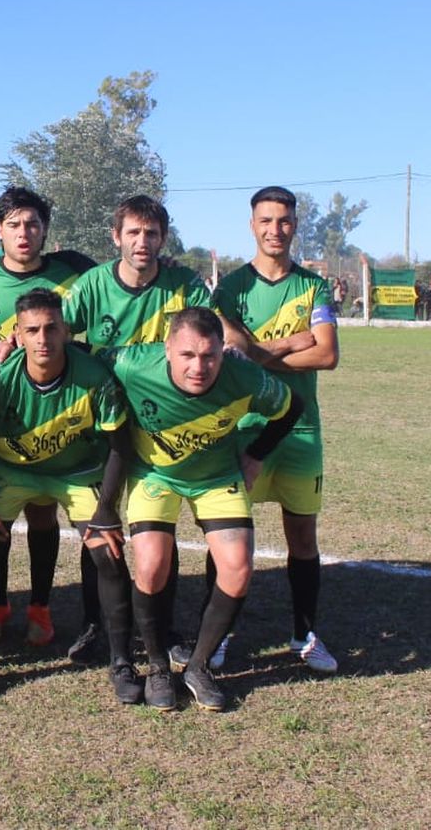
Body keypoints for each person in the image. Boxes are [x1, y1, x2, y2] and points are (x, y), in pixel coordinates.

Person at [99, 307, 304, 710]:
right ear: (167, 349)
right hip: (155, 475)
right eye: (188, 355)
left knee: (238, 567)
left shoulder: (244, 377)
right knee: (151, 564)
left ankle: (198, 666)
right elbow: (78, 357)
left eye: (209, 356)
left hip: (215, 477)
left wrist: (257, 454)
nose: (199, 367)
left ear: (223, 352)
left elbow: (290, 407)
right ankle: (158, 667)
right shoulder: (132, 363)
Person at [0, 289, 137, 704]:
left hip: (75, 473)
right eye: (32, 330)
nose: (43, 338)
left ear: (66, 330)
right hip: (10, 469)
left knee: (108, 552)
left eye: (52, 328)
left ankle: (122, 661)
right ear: (17, 334)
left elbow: (121, 446)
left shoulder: (93, 376)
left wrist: (106, 511)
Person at [59, 194, 211, 665]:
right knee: (99, 527)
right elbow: (54, 331)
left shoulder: (183, 285)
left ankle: (163, 631)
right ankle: (94, 626)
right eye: (133, 232)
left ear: (163, 238)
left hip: (163, 424)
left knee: (157, 529)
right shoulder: (92, 285)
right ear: (116, 236)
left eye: (151, 233)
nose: (142, 242)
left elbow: (213, 334)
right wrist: (7, 346)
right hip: (101, 424)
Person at [0, 186, 96, 647]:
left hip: (53, 411)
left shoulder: (73, 272)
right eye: (13, 224)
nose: (23, 232)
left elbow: (127, 273)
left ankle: (40, 604)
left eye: (32, 224)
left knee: (42, 515)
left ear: (45, 231)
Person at [210, 185, 341, 676]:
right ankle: (219, 635)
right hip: (242, 427)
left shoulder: (314, 287)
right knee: (228, 536)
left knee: (302, 537)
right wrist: (287, 343)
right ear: (252, 225)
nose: (275, 229)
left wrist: (257, 353)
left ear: (294, 226)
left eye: (284, 221)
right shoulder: (229, 291)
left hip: (301, 430)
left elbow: (326, 354)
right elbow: (232, 356)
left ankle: (304, 634)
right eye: (266, 221)